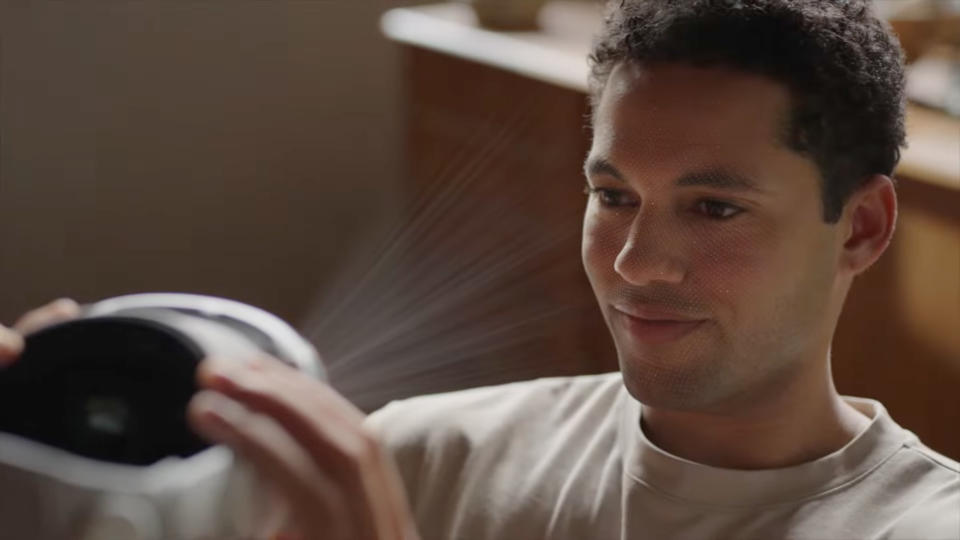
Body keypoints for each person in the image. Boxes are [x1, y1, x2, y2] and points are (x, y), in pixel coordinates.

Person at [2, 0, 958, 538]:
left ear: (862, 228)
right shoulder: (423, 455)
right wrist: (46, 469)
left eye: (715, 208)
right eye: (614, 193)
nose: (636, 262)